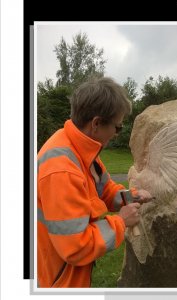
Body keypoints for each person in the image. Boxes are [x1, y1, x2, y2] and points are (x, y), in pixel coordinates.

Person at [37, 77, 152, 288]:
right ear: (96, 123)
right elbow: (76, 247)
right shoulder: (62, 170)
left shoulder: (81, 149)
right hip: (59, 283)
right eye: (117, 128)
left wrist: (130, 196)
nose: (117, 135)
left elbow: (104, 190)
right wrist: (121, 222)